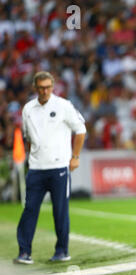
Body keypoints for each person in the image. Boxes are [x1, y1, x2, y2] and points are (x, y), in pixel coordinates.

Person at [13, 71, 86, 264]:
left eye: (48, 87)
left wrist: (75, 157)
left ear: (53, 87)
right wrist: (32, 158)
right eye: (41, 87)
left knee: (60, 211)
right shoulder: (28, 108)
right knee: (29, 210)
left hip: (59, 167)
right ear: (35, 88)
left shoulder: (63, 105)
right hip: (36, 168)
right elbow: (28, 138)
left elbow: (80, 130)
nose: (45, 91)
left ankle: (62, 250)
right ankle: (24, 252)